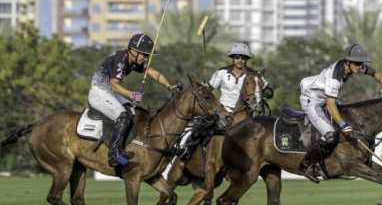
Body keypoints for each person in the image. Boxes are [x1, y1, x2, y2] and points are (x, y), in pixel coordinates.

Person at [298, 43, 382, 182]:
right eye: (357, 63)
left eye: (361, 63)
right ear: (347, 62)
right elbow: (330, 104)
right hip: (312, 100)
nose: (360, 66)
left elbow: (374, 73)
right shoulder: (335, 77)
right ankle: (306, 165)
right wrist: (342, 124)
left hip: (325, 97)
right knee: (330, 135)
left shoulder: (354, 66)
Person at [88, 33, 177, 167]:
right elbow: (114, 84)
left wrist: (170, 86)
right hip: (99, 91)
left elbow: (154, 73)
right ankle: (113, 155)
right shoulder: (121, 59)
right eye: (143, 54)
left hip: (109, 92)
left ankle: (126, 147)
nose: (145, 57)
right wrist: (131, 95)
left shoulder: (135, 61)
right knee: (123, 116)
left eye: (147, 55)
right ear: (133, 51)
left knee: (134, 112)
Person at [175, 42, 272, 160]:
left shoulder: (254, 75)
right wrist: (204, 86)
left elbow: (268, 90)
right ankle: (187, 149)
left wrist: (263, 94)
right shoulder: (221, 73)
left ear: (247, 59)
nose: (240, 60)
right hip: (222, 111)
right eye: (237, 57)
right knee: (200, 126)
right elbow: (209, 89)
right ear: (232, 58)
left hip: (245, 113)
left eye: (243, 58)